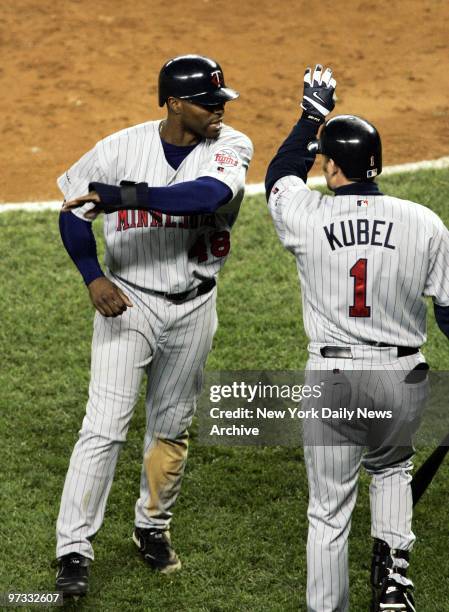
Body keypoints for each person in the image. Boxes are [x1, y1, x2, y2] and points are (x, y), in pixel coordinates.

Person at [54, 54, 253, 597]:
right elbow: (73, 212)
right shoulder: (119, 148)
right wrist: (93, 277)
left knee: (171, 425)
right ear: (174, 103)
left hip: (194, 306)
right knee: (104, 426)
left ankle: (152, 529)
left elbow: (206, 196)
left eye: (221, 100)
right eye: (209, 102)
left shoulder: (231, 145)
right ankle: (73, 550)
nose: (219, 109)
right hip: (130, 302)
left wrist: (125, 196)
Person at [265, 64, 449, 611]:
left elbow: (281, 173)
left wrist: (310, 116)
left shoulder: (306, 215)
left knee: (328, 509)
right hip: (400, 374)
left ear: (332, 167)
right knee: (392, 470)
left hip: (331, 376)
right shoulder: (425, 222)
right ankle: (393, 584)